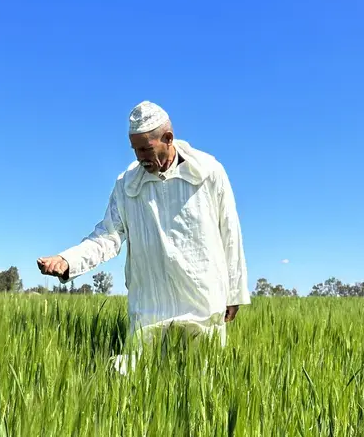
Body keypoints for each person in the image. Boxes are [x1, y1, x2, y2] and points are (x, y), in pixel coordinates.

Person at [37, 100, 250, 352]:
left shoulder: (208, 173)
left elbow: (230, 232)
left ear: (168, 138)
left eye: (146, 149)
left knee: (202, 381)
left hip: (202, 302)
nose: (140, 158)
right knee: (142, 383)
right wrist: (68, 260)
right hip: (150, 306)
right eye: (135, 150)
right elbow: (108, 235)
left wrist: (234, 293)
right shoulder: (127, 185)